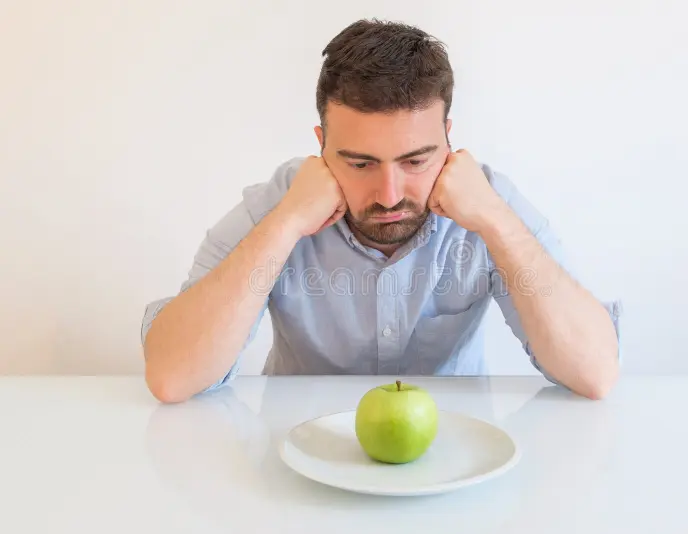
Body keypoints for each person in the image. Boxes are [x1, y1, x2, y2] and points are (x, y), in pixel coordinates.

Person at [141, 19, 622, 404]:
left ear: (448, 138)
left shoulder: (488, 201)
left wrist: (495, 224)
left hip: (453, 450)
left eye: (415, 161)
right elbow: (171, 376)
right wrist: (286, 225)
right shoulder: (279, 204)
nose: (389, 195)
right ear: (321, 145)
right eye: (360, 164)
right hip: (296, 451)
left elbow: (595, 374)